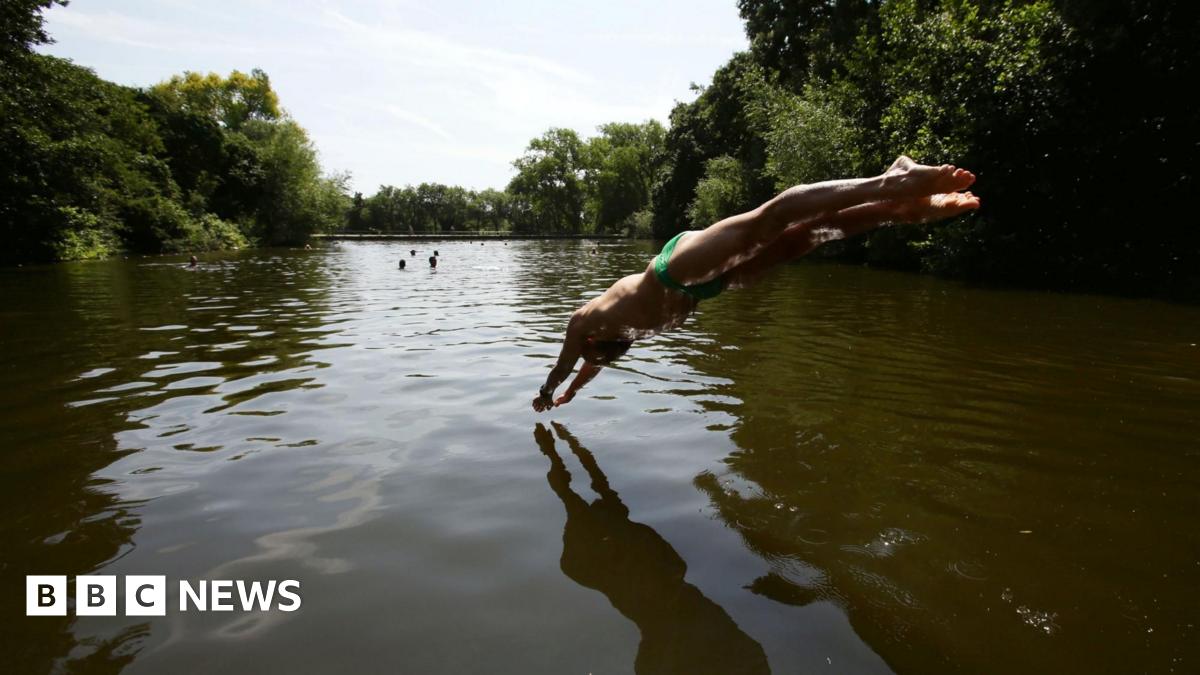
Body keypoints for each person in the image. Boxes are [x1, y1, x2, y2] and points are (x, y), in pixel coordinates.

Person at [533, 156, 979, 412]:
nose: (592, 360)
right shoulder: (608, 343)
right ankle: (898, 210)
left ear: (589, 341)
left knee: (770, 222)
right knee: (806, 238)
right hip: (706, 288)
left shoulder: (582, 323)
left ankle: (892, 181)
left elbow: (565, 364)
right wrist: (572, 394)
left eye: (590, 356)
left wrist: (548, 391)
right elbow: (587, 370)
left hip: (674, 269)